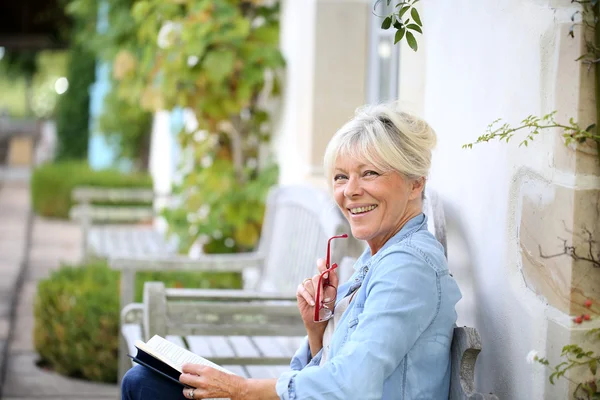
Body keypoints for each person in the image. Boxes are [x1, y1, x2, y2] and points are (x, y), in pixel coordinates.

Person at [121, 103, 462, 400]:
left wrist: (239, 390)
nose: (351, 191)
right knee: (147, 380)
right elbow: (332, 371)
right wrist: (318, 331)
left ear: (415, 182)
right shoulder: (378, 257)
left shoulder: (408, 266)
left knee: (145, 386)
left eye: (369, 173)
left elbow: (351, 387)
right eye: (341, 177)